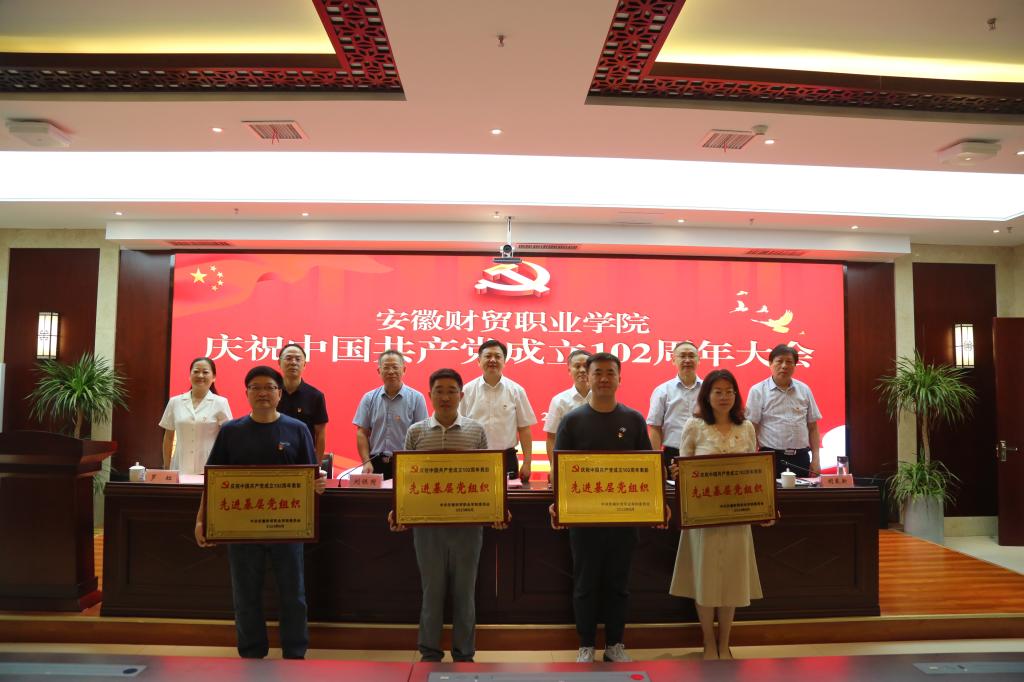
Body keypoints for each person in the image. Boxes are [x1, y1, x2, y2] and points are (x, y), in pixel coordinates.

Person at [194, 365, 327, 660]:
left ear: (279, 394)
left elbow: (311, 477)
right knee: (245, 595)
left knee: (293, 595)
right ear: (247, 393)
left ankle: (295, 652)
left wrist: (317, 485)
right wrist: (201, 519)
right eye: (256, 387)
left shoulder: (298, 429)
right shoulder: (231, 431)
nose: (263, 393)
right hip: (241, 528)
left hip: (288, 527)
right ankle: (251, 652)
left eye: (269, 387)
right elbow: (213, 481)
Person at [387, 368, 509, 663]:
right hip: (428, 528)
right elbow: (406, 479)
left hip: (467, 527)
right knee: (432, 591)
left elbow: (486, 477)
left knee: (465, 593)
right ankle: (429, 652)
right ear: (429, 395)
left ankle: (464, 653)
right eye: (439, 391)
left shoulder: (475, 430)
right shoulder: (416, 432)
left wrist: (497, 506)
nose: (445, 397)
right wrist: (398, 510)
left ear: (461, 395)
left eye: (451, 391)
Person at [551, 352, 653, 664]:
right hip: (584, 521)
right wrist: (558, 505)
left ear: (620, 378)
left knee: (618, 585)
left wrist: (656, 505)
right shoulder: (572, 420)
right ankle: (585, 646)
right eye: (598, 373)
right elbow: (560, 469)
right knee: (585, 584)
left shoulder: (633, 420)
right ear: (587, 376)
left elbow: (647, 468)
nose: (604, 378)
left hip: (624, 520)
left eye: (610, 373)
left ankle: (614, 644)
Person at [670, 369, 773, 660]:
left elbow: (754, 471)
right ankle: (708, 642)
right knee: (705, 580)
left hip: (737, 516)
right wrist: (678, 472)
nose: (724, 396)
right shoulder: (694, 426)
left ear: (736, 395)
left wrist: (765, 505)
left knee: (732, 580)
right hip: (703, 519)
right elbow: (683, 469)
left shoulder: (747, 427)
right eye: (718, 391)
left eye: (729, 391)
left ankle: (725, 642)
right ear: (707, 396)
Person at [459, 339, 537, 480]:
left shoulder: (516, 390)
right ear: (478, 361)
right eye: (488, 356)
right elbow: (459, 427)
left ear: (504, 361)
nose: (493, 360)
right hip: (474, 458)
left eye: (497, 356)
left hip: (507, 458)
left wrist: (527, 462)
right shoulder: (467, 391)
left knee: (508, 495)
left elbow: (524, 429)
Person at [745, 344, 822, 477]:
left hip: (801, 458)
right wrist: (752, 460)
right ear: (770, 363)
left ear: (795, 365)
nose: (784, 366)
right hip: (770, 457)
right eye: (779, 361)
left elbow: (813, 427)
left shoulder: (804, 390)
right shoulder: (757, 391)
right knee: (770, 491)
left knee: (803, 490)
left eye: (789, 362)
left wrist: (816, 458)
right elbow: (752, 428)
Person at [353, 349, 428, 479]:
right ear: (379, 371)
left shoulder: (416, 398)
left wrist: (416, 463)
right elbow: (362, 433)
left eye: (395, 367)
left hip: (406, 463)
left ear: (404, 369)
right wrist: (366, 462)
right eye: (386, 367)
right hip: (375, 463)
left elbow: (422, 434)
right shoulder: (369, 398)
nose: (391, 371)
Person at [159, 356, 232, 474]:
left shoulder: (221, 403)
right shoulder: (175, 402)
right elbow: (168, 438)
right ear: (190, 375)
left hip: (209, 466)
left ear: (213, 377)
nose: (200, 375)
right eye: (196, 371)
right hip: (179, 466)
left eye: (205, 372)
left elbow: (227, 438)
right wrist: (167, 468)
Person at [647, 341, 702, 472]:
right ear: (673, 360)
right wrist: (657, 463)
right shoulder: (662, 391)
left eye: (691, 356)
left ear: (698, 360)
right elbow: (655, 428)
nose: (687, 360)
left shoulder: (708, 389)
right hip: (672, 455)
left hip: (703, 453)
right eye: (682, 356)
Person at [277, 343, 329, 463]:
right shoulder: (271, 393)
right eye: (288, 358)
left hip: (303, 458)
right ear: (279, 363)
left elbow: (320, 434)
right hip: (274, 457)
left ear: (304, 364)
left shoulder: (315, 396)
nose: (293, 362)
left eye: (298, 359)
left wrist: (316, 465)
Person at [543, 349, 591, 460]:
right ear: (569, 371)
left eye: (586, 366)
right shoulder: (559, 401)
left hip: (598, 461)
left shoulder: (602, 398)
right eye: (577, 366)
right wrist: (554, 465)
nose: (582, 370)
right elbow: (551, 438)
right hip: (568, 461)